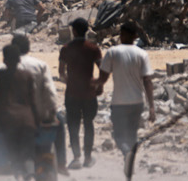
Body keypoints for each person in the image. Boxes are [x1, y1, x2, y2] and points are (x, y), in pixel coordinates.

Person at [97, 21, 156, 178]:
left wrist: (96, 87)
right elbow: (147, 81)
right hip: (137, 102)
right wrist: (151, 106)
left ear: (121, 35)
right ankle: (129, 164)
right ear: (136, 36)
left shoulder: (113, 52)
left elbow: (103, 77)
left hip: (119, 102)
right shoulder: (142, 54)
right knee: (132, 135)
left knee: (118, 136)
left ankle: (126, 154)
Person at [10, 31, 65, 175]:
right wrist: (52, 112)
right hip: (39, 117)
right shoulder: (40, 65)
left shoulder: (4, 68)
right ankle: (62, 163)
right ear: (28, 48)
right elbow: (50, 92)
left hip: (14, 119)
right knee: (60, 121)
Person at [59, 18, 103, 170]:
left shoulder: (66, 49)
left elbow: (61, 73)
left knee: (73, 125)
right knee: (89, 124)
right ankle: (88, 158)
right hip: (89, 92)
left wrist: (70, 82)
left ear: (74, 31)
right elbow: (102, 70)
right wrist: (99, 85)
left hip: (72, 93)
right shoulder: (93, 49)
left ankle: (76, 157)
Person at [0, 44, 39, 172]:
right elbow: (32, 101)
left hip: (9, 120)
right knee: (28, 154)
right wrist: (37, 121)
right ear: (19, 59)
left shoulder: (0, 75)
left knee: (14, 155)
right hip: (27, 120)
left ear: (4, 60)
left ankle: (18, 175)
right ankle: (30, 176)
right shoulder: (27, 75)